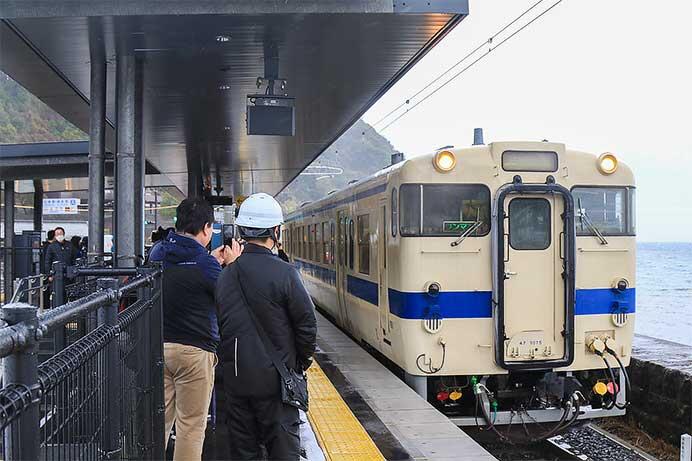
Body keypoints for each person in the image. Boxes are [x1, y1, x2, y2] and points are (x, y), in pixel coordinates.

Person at [216, 193, 317, 460]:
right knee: (283, 451)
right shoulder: (285, 273)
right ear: (275, 231)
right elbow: (307, 324)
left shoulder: (225, 276)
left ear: (241, 231)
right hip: (276, 383)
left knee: (244, 452)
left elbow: (222, 325)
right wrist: (300, 361)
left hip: (235, 381)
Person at [149, 197, 241, 461]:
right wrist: (231, 265)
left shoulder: (158, 252)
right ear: (206, 228)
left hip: (157, 348)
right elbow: (230, 298)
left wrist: (209, 259)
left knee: (158, 423)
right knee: (190, 425)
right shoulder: (206, 265)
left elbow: (182, 270)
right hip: (194, 353)